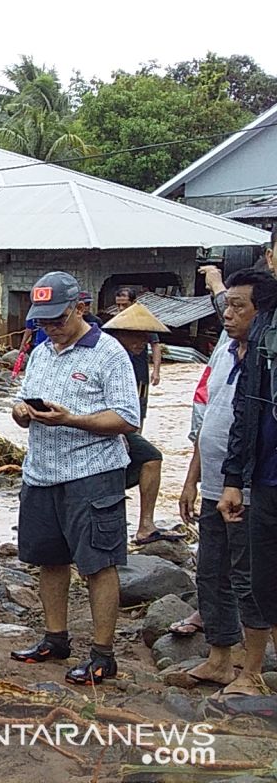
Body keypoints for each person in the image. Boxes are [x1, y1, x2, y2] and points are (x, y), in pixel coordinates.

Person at [9, 272, 140, 686]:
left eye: (58, 320)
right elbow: (23, 397)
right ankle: (55, 637)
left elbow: (126, 418)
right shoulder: (42, 352)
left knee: (99, 564)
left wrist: (73, 419)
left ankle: (103, 654)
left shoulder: (109, 353)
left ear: (80, 308)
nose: (50, 328)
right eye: (43, 321)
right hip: (42, 473)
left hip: (92, 474)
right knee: (49, 559)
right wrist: (21, 412)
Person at [179, 268, 277, 696]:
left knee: (249, 577)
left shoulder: (265, 358)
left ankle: (253, 670)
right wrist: (191, 479)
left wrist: (238, 479)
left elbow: (253, 423)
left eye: (240, 307)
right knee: (211, 572)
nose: (229, 315)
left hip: (251, 487)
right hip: (218, 483)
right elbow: (209, 418)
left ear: (264, 313)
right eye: (228, 306)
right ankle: (220, 659)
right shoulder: (223, 351)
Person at [220, 236, 277, 675]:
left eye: (238, 306)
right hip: (266, 480)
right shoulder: (258, 342)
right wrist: (234, 479)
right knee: (263, 581)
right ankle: (255, 675)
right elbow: (246, 413)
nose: (228, 315)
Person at [103, 304, 170, 544]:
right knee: (145, 459)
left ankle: (144, 524)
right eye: (138, 335)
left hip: (118, 426)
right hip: (101, 426)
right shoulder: (106, 354)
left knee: (148, 458)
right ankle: (133, 526)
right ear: (121, 333)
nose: (143, 341)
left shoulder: (131, 358)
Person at [114, 287, 163, 391]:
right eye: (118, 305)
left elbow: (155, 345)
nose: (121, 308)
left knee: (141, 399)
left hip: (139, 368)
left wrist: (156, 371)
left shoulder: (144, 321)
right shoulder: (113, 323)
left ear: (134, 303)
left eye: (125, 305)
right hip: (118, 370)